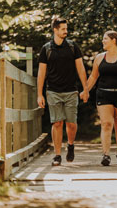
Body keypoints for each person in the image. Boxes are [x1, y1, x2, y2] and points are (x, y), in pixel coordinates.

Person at [37, 17, 89, 166]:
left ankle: (70, 145)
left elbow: (80, 69)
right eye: (63, 29)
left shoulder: (73, 47)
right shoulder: (46, 49)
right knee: (57, 123)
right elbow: (41, 73)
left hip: (71, 91)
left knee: (71, 124)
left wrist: (85, 89)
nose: (66, 31)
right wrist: (39, 94)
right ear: (55, 30)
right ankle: (57, 154)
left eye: (66, 29)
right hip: (53, 91)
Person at [81, 30, 117, 166]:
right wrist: (85, 90)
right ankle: (106, 155)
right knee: (106, 124)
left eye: (105, 39)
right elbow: (93, 76)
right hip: (104, 94)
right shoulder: (100, 58)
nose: (103, 41)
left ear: (114, 40)